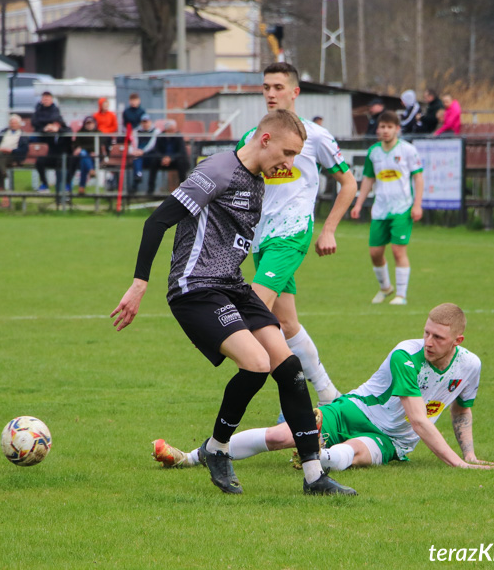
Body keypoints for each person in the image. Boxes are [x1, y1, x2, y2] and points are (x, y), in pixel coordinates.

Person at [111, 109, 356, 496]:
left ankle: (314, 477)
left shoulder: (257, 182)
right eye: (288, 153)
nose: (290, 164)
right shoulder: (219, 171)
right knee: (257, 364)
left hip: (231, 286)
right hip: (196, 288)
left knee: (288, 367)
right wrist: (140, 283)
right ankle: (217, 449)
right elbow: (157, 220)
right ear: (265, 140)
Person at [153, 304, 494, 473]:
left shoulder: (470, 366)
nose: (428, 342)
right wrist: (459, 465)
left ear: (458, 340)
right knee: (278, 437)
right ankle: (190, 458)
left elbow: (461, 409)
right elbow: (420, 420)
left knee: (351, 456)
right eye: (426, 333)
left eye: (438, 337)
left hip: (390, 439)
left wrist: (468, 453)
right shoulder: (405, 356)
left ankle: (315, 454)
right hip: (352, 409)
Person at [236, 62, 358, 406]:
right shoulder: (254, 137)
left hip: (291, 233)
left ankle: (293, 402)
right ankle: (329, 395)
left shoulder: (315, 136)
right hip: (261, 238)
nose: (271, 94)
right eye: (266, 87)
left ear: (294, 92)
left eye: (278, 87)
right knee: (286, 324)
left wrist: (328, 229)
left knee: (255, 310)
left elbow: (348, 183)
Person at [350, 111, 424, 306]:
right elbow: (368, 179)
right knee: (375, 253)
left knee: (398, 252)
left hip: (402, 208)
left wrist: (417, 205)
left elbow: (418, 177)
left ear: (397, 129)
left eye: (389, 127)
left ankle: (401, 295)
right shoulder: (373, 152)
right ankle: (385, 288)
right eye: (382, 127)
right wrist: (359, 203)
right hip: (380, 210)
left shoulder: (408, 150)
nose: (385, 130)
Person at [145, 120, 190, 195]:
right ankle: (151, 189)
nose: (173, 132)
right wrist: (163, 158)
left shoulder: (178, 136)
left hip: (175, 160)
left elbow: (182, 152)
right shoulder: (160, 137)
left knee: (182, 162)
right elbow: (156, 151)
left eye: (174, 130)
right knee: (153, 161)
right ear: (166, 130)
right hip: (162, 160)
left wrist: (170, 158)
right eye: (171, 130)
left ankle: (183, 190)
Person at [0, 114, 29, 190]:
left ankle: (1, 187)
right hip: (1, 153)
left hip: (14, 155)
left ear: (19, 124)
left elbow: (24, 149)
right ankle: (3, 173)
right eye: (11, 123)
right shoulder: (3, 132)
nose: (13, 125)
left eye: (15, 123)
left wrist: (12, 150)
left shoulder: (23, 135)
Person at [128, 114, 160, 193]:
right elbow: (132, 143)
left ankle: (150, 188)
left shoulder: (155, 131)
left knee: (152, 162)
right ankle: (135, 183)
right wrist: (134, 151)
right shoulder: (136, 131)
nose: (145, 124)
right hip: (139, 154)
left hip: (151, 155)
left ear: (150, 122)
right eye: (143, 122)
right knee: (136, 158)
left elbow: (152, 144)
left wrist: (142, 151)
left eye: (146, 122)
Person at [67, 116, 98, 195]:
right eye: (87, 124)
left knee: (83, 157)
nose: (89, 125)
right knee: (83, 156)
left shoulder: (98, 133)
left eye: (91, 123)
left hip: (95, 157)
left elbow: (98, 146)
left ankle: (81, 187)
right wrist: (82, 149)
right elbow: (76, 145)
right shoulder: (81, 133)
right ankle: (90, 170)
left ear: (94, 124)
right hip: (82, 158)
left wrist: (83, 149)